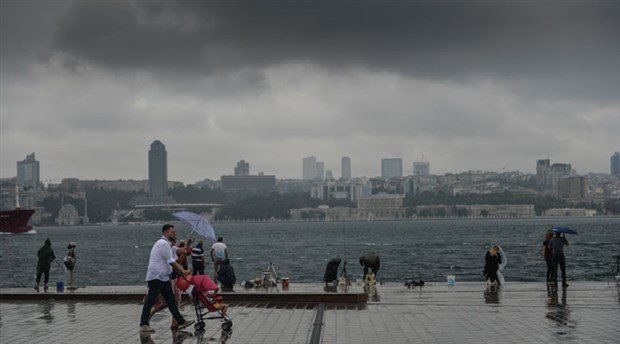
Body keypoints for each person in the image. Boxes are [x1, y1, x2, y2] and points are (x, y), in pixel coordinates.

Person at [139, 224, 194, 333]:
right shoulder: (162, 243)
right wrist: (183, 271)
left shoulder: (168, 245)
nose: (175, 234)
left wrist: (186, 246)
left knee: (171, 301)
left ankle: (181, 321)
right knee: (150, 300)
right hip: (156, 277)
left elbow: (178, 250)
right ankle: (143, 324)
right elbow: (171, 261)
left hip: (164, 278)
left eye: (175, 232)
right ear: (165, 233)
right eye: (173, 232)